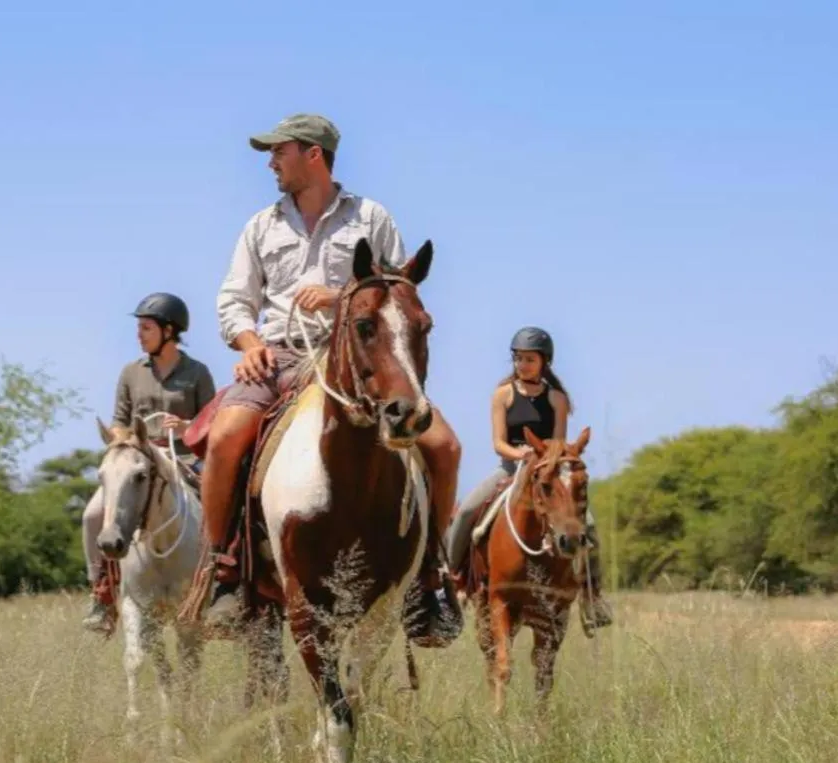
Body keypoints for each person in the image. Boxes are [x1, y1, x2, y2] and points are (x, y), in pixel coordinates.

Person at [191, 112, 463, 640]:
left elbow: (398, 292)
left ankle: (430, 577)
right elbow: (234, 300)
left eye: (280, 151)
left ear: (313, 154)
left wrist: (340, 298)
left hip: (360, 359)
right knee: (225, 438)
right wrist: (248, 344)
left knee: (446, 447)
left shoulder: (371, 217)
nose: (271, 162)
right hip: (279, 355)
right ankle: (224, 572)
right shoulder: (261, 226)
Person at [445, 326, 614, 637]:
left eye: (529, 359)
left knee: (588, 525)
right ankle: (451, 583)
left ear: (544, 362)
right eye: (518, 359)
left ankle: (593, 597)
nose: (522, 365)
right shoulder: (503, 394)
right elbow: (498, 443)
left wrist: (543, 458)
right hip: (510, 469)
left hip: (546, 473)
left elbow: (558, 445)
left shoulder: (557, 399)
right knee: (467, 511)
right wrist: (520, 453)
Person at [81, 292, 217, 633]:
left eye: (146, 328)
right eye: (139, 328)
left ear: (169, 331)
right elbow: (119, 419)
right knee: (92, 515)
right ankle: (101, 594)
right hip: (138, 458)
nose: (139, 335)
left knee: (222, 504)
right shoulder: (131, 372)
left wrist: (186, 427)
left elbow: (212, 422)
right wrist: (120, 435)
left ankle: (224, 586)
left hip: (184, 457)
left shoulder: (197, 373)